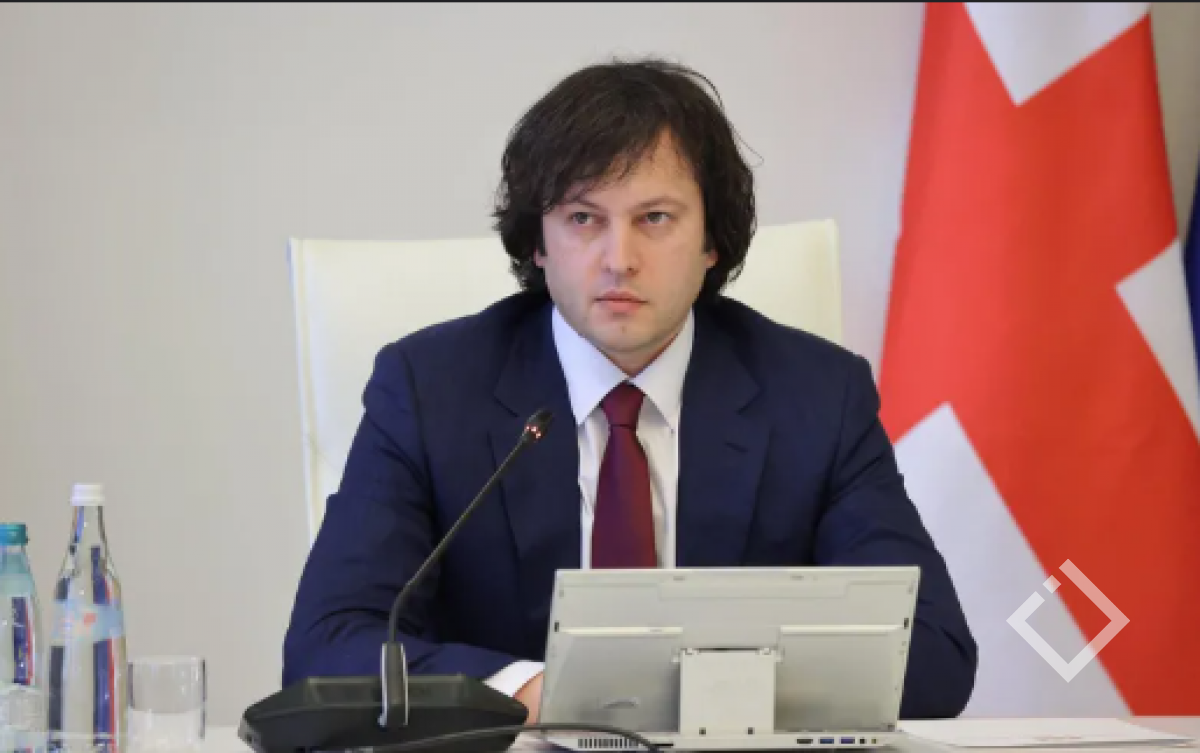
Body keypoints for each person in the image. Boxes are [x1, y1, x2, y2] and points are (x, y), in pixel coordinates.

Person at [282, 57, 977, 721]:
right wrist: (541, 693)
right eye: (583, 218)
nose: (619, 259)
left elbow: (932, 655)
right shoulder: (429, 390)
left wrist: (698, 694)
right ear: (539, 243)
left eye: (655, 218)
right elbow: (327, 648)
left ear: (712, 241)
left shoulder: (819, 397)